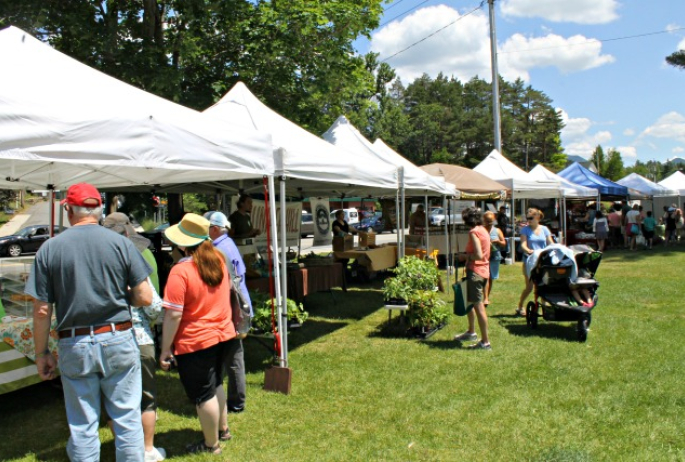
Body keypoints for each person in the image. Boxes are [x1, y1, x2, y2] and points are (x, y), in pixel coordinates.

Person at [26, 183, 153, 461]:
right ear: (98, 210)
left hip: (75, 342)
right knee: (127, 420)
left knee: (83, 426)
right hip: (118, 337)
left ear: (70, 210)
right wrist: (119, 296)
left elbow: (42, 311)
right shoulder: (121, 243)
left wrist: (40, 353)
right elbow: (144, 296)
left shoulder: (49, 249)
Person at [160, 213, 237, 455]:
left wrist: (164, 349)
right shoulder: (219, 260)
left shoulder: (180, 271)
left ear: (183, 243)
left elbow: (173, 315)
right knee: (216, 385)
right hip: (223, 334)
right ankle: (223, 429)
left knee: (204, 395)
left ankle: (211, 444)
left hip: (196, 341)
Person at [102, 220, 166, 462]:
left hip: (107, 340)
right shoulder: (134, 266)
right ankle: (147, 450)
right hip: (139, 340)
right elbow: (153, 306)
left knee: (113, 398)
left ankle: (124, 447)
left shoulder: (99, 270)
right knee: (145, 398)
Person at [204, 211, 251, 417]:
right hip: (238, 305)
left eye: (207, 228)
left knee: (232, 356)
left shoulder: (218, 249)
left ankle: (234, 401)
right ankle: (233, 399)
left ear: (214, 229)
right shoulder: (228, 243)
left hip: (230, 307)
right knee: (233, 356)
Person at [453, 207, 491, 350]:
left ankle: (485, 342)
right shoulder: (484, 230)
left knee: (478, 305)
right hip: (484, 271)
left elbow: (479, 255)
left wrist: (464, 256)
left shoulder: (474, 232)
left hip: (476, 271)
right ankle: (471, 332)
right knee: (470, 302)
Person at [515, 208, 554, 317]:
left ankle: (544, 307)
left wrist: (555, 248)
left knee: (543, 285)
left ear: (537, 218)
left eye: (531, 218)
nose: (528, 220)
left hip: (542, 261)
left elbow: (550, 242)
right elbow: (523, 244)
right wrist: (528, 250)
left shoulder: (545, 229)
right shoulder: (525, 230)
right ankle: (520, 306)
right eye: (527, 218)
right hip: (529, 261)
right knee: (529, 287)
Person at [482, 211, 506, 307]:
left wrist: (497, 241)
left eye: (490, 221)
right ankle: (485, 298)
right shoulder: (482, 230)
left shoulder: (497, 231)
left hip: (495, 255)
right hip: (484, 256)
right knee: (486, 276)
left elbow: (504, 243)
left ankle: (487, 296)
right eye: (487, 221)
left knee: (491, 278)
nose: (489, 223)